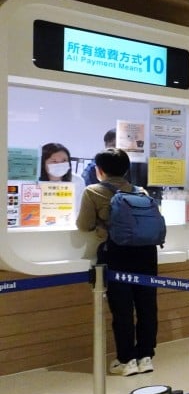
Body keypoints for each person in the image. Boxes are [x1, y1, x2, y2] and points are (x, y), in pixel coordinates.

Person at [76, 148, 158, 376]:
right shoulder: (141, 191)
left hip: (117, 254)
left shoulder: (93, 191)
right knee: (147, 306)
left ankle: (126, 360)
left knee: (122, 308)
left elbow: (84, 225)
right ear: (127, 169)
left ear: (99, 170)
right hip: (147, 254)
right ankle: (146, 357)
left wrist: (103, 226)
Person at [40, 142, 86, 213]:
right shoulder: (34, 182)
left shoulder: (77, 181)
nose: (60, 164)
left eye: (64, 160)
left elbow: (80, 209)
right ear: (43, 163)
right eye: (54, 161)